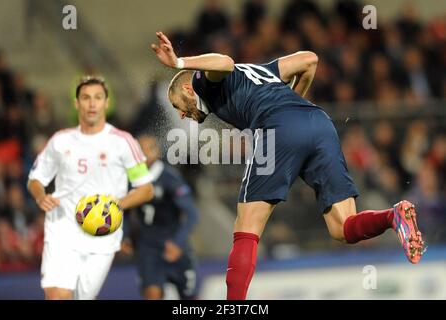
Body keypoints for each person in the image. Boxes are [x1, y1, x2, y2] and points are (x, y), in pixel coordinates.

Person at [151, 31, 427, 300]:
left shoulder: (202, 83)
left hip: (277, 127)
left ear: (187, 88)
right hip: (318, 123)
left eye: (178, 105)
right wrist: (294, 100)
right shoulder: (265, 72)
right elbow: (309, 59)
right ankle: (393, 216)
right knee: (342, 228)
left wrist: (179, 63)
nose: (181, 114)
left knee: (246, 226)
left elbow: (224, 61)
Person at [27, 76, 154, 300]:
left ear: (106, 103)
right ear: (77, 104)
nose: (92, 103)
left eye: (98, 98)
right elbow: (35, 178)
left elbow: (146, 189)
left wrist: (114, 204)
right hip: (62, 228)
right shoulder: (60, 140)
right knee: (57, 294)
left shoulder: (123, 142)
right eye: (86, 98)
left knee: (81, 297)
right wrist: (40, 196)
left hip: (101, 234)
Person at [123, 135, 199, 300]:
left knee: (189, 297)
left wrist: (178, 242)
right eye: (139, 150)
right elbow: (124, 209)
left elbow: (192, 213)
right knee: (152, 294)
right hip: (147, 246)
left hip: (172, 242)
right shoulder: (132, 179)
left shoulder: (170, 178)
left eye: (149, 149)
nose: (144, 154)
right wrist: (124, 236)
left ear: (157, 152)